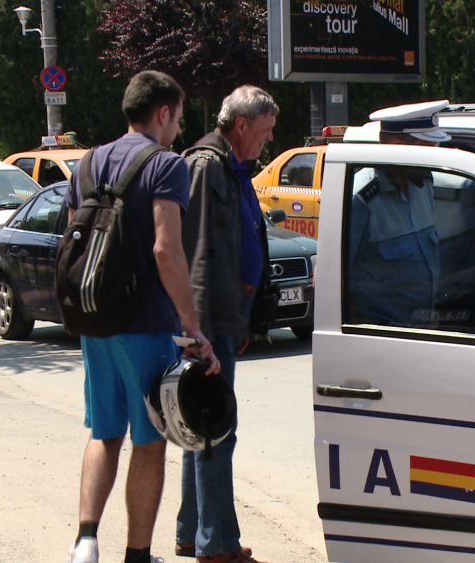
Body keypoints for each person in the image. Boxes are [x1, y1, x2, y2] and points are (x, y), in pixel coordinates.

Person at [65, 70, 219, 563]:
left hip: (95, 321)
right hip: (145, 324)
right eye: (177, 116)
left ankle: (85, 544)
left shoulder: (87, 164)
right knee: (149, 441)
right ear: (163, 112)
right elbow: (166, 250)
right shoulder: (166, 165)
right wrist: (192, 328)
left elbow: (76, 244)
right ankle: (136, 555)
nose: (178, 127)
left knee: (104, 432)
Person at [176, 85, 278, 563]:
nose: (268, 140)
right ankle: (216, 546)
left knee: (203, 425)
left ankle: (192, 531)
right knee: (215, 428)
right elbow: (194, 250)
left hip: (227, 316)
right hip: (209, 321)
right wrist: (198, 333)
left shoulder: (233, 166)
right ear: (241, 126)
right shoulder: (205, 165)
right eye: (264, 131)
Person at [348, 100, 449, 326]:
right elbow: (329, 282)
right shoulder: (361, 199)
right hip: (382, 341)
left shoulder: (423, 185)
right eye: (428, 148)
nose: (435, 158)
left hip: (423, 331)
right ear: (396, 145)